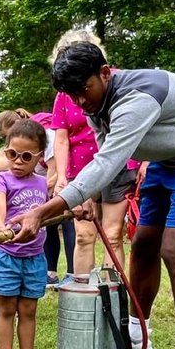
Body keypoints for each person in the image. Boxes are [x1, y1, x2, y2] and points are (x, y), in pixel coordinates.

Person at [10, 41, 175, 349]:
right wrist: (87, 196)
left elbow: (107, 162)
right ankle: (135, 333)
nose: (80, 101)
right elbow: (107, 155)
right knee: (145, 243)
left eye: (83, 89)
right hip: (168, 159)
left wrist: (42, 211)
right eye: (72, 94)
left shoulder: (137, 97)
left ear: (105, 72)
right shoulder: (95, 102)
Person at [49, 31, 138, 280]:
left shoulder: (112, 81)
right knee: (83, 234)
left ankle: (112, 298)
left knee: (111, 234)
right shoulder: (64, 95)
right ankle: (83, 300)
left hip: (118, 165)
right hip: (81, 169)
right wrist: (61, 177)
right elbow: (62, 137)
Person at [0, 116, 50, 349]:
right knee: (6, 309)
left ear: (39, 157)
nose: (18, 161)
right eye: (12, 154)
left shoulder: (42, 183)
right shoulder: (2, 180)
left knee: (29, 310)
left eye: (26, 156)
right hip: (6, 257)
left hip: (34, 258)